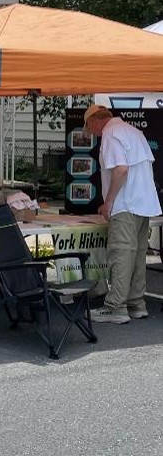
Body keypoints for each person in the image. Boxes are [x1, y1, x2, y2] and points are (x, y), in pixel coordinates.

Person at [83, 105, 162, 324]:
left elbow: (121, 169)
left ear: (94, 121)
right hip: (143, 203)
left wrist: (108, 202)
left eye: (89, 128)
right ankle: (136, 303)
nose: (93, 134)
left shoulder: (111, 133)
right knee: (137, 255)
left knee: (121, 254)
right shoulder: (133, 132)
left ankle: (115, 307)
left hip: (125, 205)